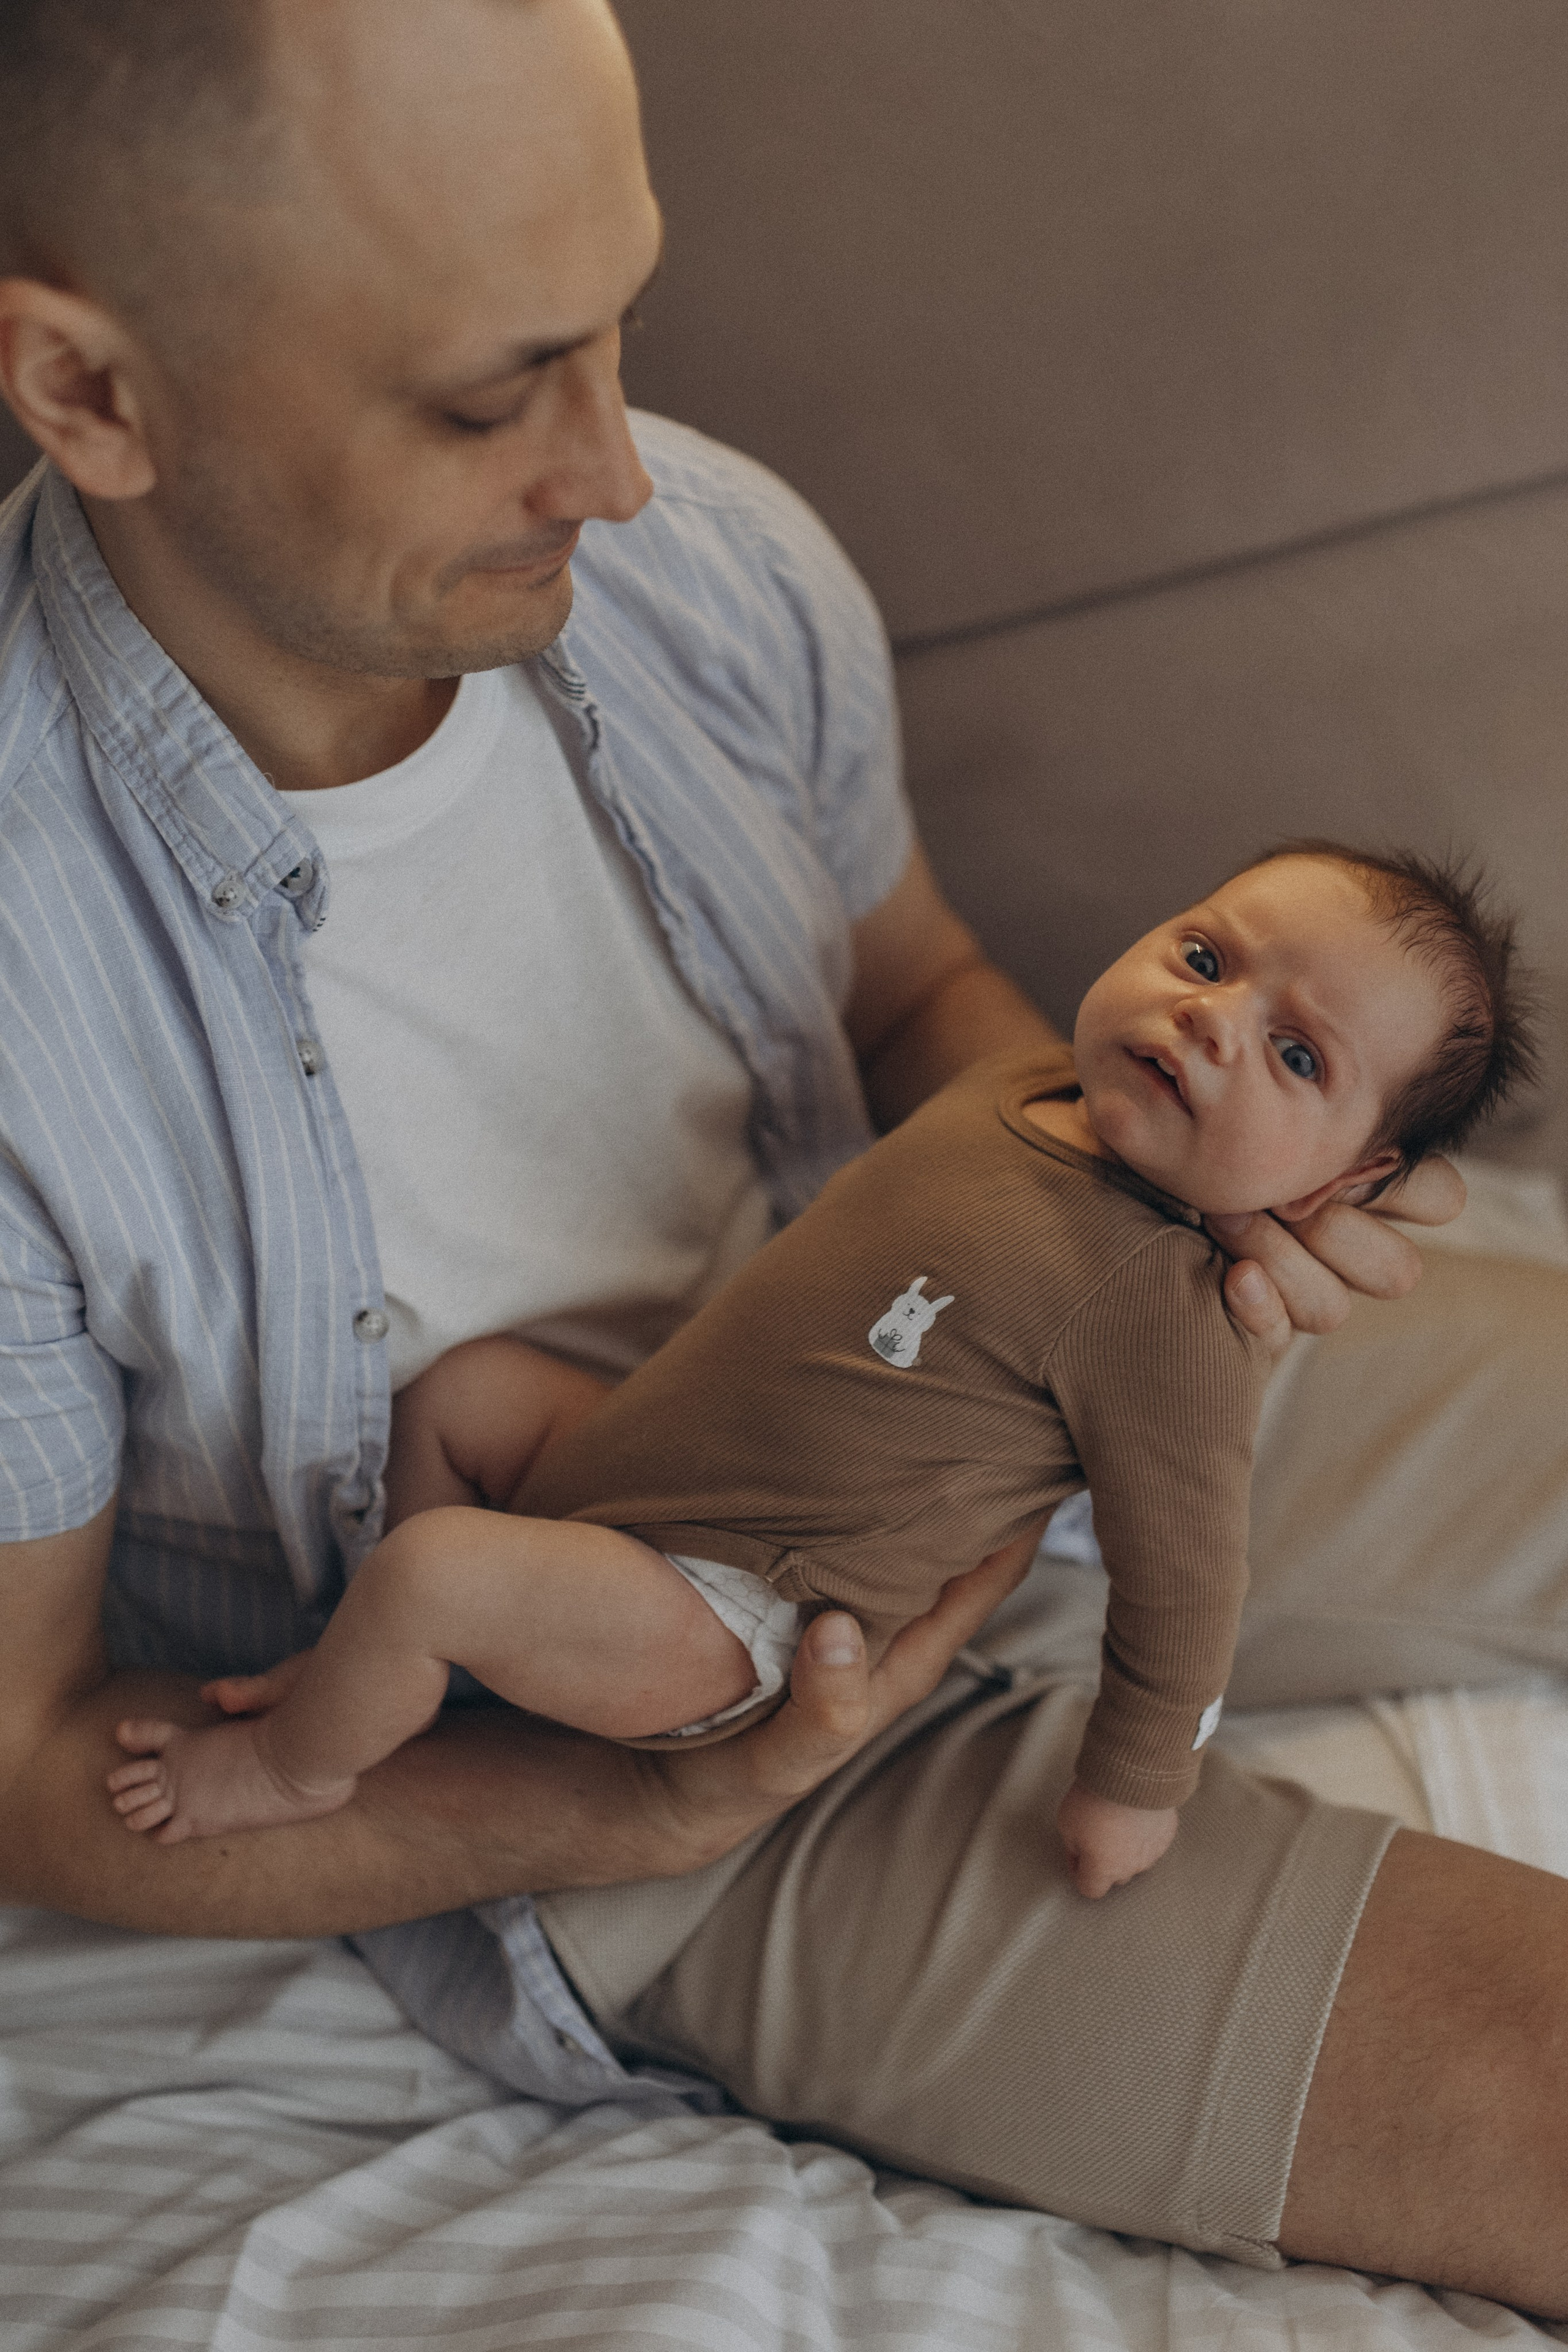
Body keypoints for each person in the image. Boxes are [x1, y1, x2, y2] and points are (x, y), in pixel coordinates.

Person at [0, 0, 1566, 2315]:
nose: (618, 471)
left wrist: (1193, 1212)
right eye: (492, 390)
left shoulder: (699, 567)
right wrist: (649, 1804)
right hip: (629, 1749)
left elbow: (921, 994)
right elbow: (32, 1772)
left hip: (1008, 1368)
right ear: (90, 394)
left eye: (622, 325)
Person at [103, 845, 1532, 1912]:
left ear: (1346, 1182)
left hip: (739, 1609)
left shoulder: (1162, 1315)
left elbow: (1187, 1578)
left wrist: (1134, 1787)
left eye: (1294, 1055)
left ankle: (305, 1764)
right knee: (463, 1396)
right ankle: (383, 1675)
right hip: (639, 1471)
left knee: (434, 1572)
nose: (1213, 1020)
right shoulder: (1022, 1086)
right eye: (1206, 959)